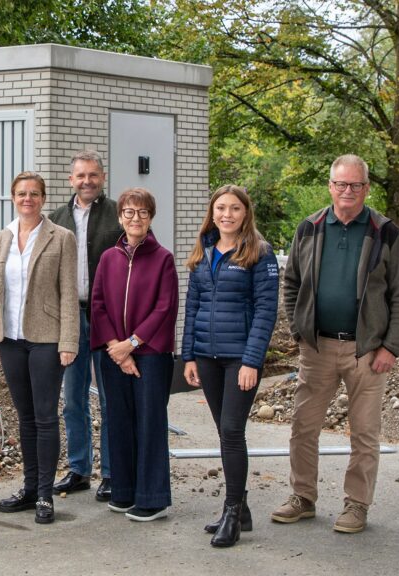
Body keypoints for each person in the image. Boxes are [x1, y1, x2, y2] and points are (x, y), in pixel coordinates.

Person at [272, 154, 399, 534]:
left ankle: (356, 504)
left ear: (366, 188)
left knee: (364, 433)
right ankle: (302, 497)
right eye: (341, 184)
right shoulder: (310, 228)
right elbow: (291, 282)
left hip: (366, 351)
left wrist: (391, 347)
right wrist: (300, 331)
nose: (347, 191)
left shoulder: (386, 233)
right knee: (303, 427)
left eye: (355, 185)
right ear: (330, 186)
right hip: (317, 348)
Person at [182, 185, 279, 547]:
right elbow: (192, 306)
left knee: (232, 431)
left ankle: (232, 514)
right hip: (207, 357)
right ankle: (242, 509)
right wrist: (188, 356)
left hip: (240, 358)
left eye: (234, 208)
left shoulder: (260, 252)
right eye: (220, 208)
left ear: (245, 213)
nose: (227, 214)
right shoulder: (204, 250)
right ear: (212, 213)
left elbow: (266, 311)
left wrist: (252, 361)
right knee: (225, 435)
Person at [0, 172, 78, 524]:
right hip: (10, 339)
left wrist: (68, 341)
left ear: (43, 198)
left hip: (46, 339)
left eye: (34, 193)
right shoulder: (3, 236)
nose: (28, 199)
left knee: (45, 417)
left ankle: (44, 495)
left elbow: (69, 292)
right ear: (13, 197)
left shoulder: (62, 237)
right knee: (25, 418)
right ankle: (29, 487)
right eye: (22, 193)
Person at [91, 188, 178, 522]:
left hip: (151, 354)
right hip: (114, 353)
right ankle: (124, 490)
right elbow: (98, 304)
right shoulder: (108, 258)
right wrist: (118, 348)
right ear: (120, 217)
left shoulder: (163, 259)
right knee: (119, 420)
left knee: (150, 422)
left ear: (151, 217)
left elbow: (164, 307)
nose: (135, 218)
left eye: (142, 212)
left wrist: (132, 344)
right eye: (129, 212)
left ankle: (152, 498)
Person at [49, 150, 120, 500]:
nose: (87, 181)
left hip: (108, 318)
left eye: (93, 175)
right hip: (70, 318)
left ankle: (111, 472)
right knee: (73, 398)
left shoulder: (118, 215)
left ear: (103, 178)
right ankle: (79, 469)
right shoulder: (56, 219)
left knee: (110, 398)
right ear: (71, 179)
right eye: (81, 175)